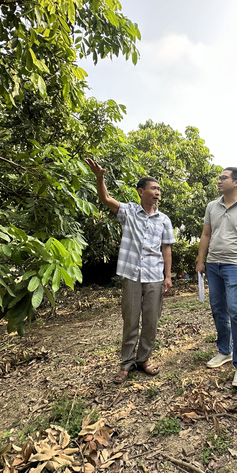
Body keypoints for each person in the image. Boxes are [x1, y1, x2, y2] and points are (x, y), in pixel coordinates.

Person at [85, 158, 175, 384]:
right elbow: (105, 198)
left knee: (152, 320)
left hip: (155, 275)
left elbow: (167, 249)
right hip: (132, 275)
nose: (157, 192)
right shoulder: (129, 212)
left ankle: (143, 359)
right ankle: (126, 364)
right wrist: (100, 177)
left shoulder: (164, 219)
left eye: (158, 189)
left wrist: (168, 276)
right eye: (153, 188)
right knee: (130, 320)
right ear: (141, 191)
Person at [196, 167, 237, 388]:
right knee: (218, 309)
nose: (219, 181)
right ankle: (224, 350)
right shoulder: (212, 206)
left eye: (224, 177)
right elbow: (206, 234)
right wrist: (200, 260)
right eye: (219, 177)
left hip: (235, 266)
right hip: (213, 265)